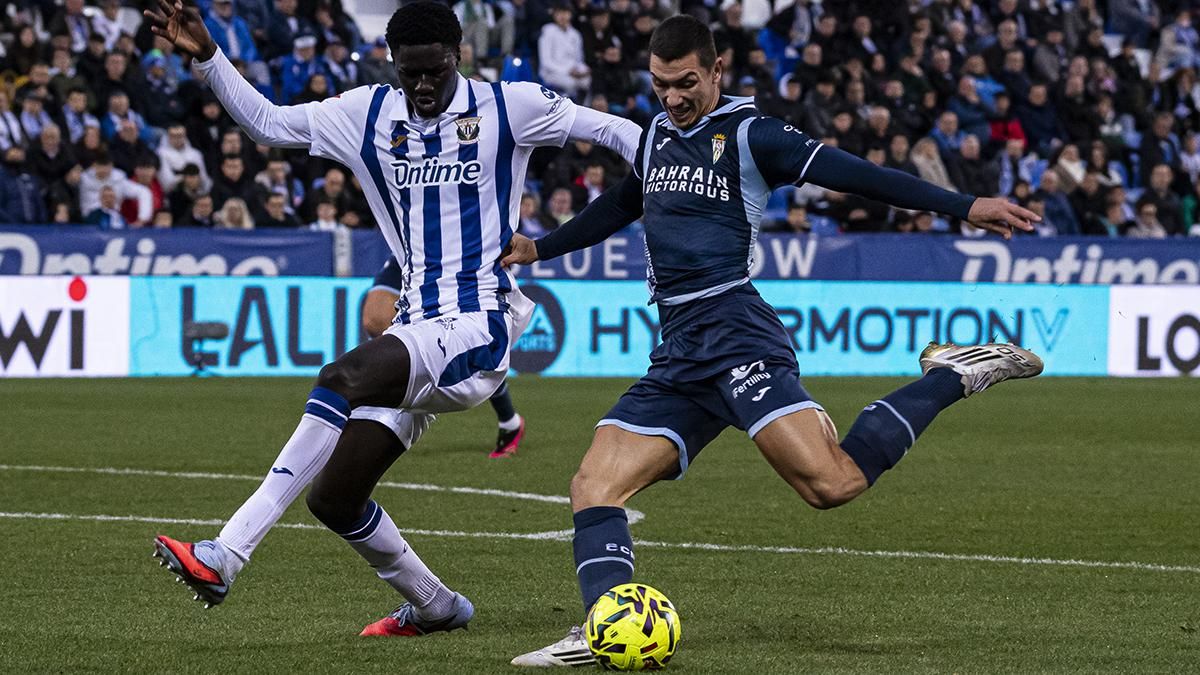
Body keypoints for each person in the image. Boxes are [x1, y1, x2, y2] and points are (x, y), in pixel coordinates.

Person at [502, 16, 1045, 667]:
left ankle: (953, 373)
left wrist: (962, 205)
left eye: (685, 83)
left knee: (831, 484)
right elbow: (621, 204)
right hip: (678, 354)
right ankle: (607, 624)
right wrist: (541, 244)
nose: (672, 98)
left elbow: (855, 174)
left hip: (738, 339)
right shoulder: (654, 139)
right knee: (593, 484)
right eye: (660, 85)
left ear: (716, 71)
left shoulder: (752, 134)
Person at [144, 0, 640, 637]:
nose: (424, 85)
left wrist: (669, 173)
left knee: (341, 376)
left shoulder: (509, 105)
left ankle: (225, 553)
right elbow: (267, 123)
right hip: (416, 326)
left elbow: (617, 132)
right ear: (393, 64)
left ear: (457, 56)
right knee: (335, 496)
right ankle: (436, 605)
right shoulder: (366, 113)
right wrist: (211, 59)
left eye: (435, 70)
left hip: (478, 322)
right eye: (411, 73)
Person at [363, 255, 527, 458]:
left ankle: (508, 419)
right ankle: (396, 408)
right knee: (375, 319)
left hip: (455, 250)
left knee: (451, 331)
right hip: (408, 246)